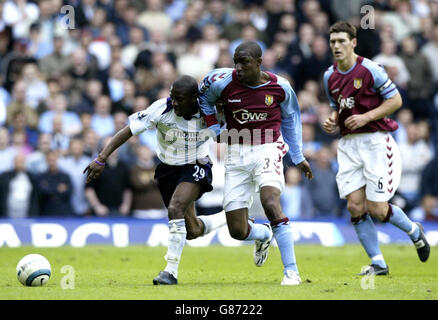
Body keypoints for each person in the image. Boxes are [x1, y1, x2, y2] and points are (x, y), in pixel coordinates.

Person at [83, 75, 227, 285]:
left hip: (196, 164)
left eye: (178, 98)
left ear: (194, 98)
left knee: (175, 208)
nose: (174, 102)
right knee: (192, 231)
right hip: (168, 169)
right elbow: (128, 131)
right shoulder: (161, 109)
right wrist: (102, 158)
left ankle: (170, 271)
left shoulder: (209, 110)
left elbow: (231, 123)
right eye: (172, 96)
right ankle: (230, 217)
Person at [198, 41, 313, 286]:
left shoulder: (280, 86)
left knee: (270, 202)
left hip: (268, 148)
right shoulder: (221, 82)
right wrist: (214, 128)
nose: (238, 67)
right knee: (237, 231)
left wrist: (298, 155)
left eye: (244, 62)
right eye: (235, 62)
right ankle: (263, 234)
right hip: (236, 152)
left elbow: (291, 119)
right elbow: (204, 99)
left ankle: (291, 271)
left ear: (259, 62)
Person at [322, 21, 430, 276]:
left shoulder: (370, 70)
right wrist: (332, 120)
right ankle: (378, 263)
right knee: (355, 206)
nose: (336, 46)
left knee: (378, 209)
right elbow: (339, 108)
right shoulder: (329, 76)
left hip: (375, 142)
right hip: (348, 145)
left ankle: (414, 231)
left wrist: (366, 117)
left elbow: (396, 100)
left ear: (353, 42)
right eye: (333, 41)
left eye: (341, 41)